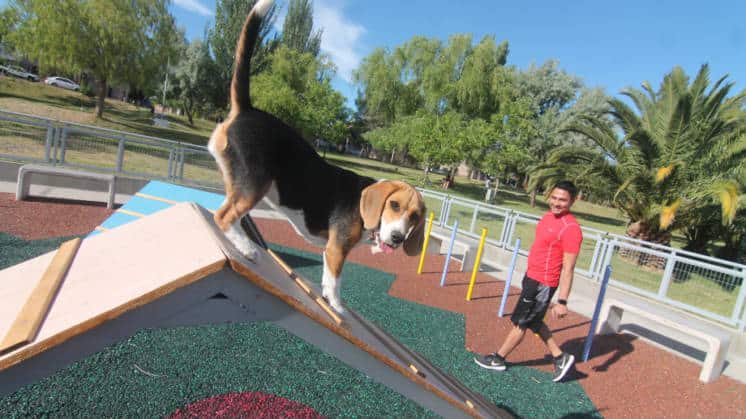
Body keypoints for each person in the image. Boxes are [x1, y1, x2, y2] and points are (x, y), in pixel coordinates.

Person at [474, 180, 583, 383]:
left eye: (563, 200)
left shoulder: (571, 229)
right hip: (531, 277)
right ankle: (560, 356)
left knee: (521, 322)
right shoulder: (548, 217)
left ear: (572, 201)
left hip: (543, 283)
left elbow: (569, 268)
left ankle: (498, 358)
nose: (557, 203)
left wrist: (562, 301)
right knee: (533, 320)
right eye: (554, 198)